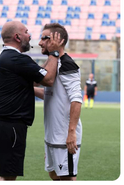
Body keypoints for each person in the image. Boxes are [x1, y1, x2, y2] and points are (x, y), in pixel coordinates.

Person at [0, 20, 60, 180]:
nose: (30, 35)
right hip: (10, 125)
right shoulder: (16, 59)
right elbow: (48, 79)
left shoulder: (3, 57)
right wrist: (54, 53)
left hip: (0, 124)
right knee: (9, 177)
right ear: (18, 37)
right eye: (26, 32)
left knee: (4, 174)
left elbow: (35, 79)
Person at [32, 23, 83, 180]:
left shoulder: (67, 64)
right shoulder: (53, 63)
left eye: (44, 38)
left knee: (67, 178)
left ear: (58, 40)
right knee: (53, 174)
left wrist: (71, 133)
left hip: (64, 136)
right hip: (51, 136)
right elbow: (50, 94)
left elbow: (76, 99)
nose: (40, 42)